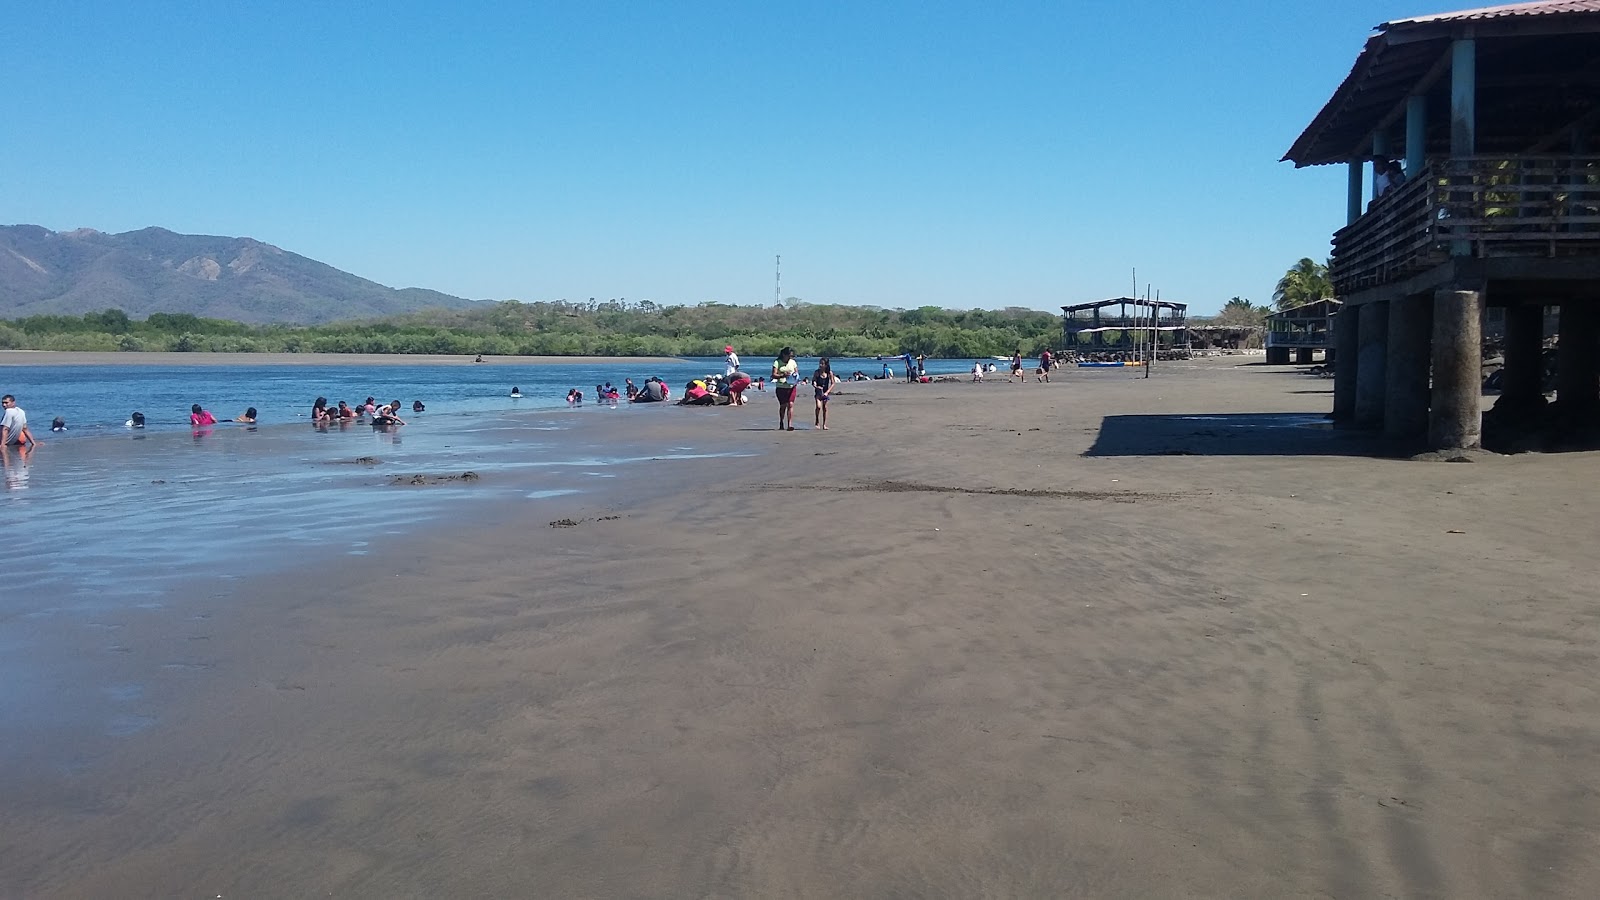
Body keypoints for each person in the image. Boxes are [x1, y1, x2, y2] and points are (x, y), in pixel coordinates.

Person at [772, 346, 800, 430]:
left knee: (790, 404)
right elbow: (773, 374)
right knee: (783, 405)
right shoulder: (777, 362)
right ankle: (781, 422)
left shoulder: (793, 362)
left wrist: (795, 376)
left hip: (791, 386)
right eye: (789, 356)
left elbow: (797, 373)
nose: (790, 358)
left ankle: (789, 424)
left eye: (791, 356)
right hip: (781, 387)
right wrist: (783, 375)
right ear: (784, 354)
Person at [812, 356, 836, 430]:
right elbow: (813, 381)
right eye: (820, 363)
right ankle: (817, 421)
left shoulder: (829, 373)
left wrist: (827, 392)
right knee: (818, 407)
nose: (820, 365)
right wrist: (816, 386)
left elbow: (833, 383)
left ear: (826, 365)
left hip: (825, 392)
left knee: (825, 408)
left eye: (822, 364)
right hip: (818, 392)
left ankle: (824, 424)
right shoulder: (817, 372)